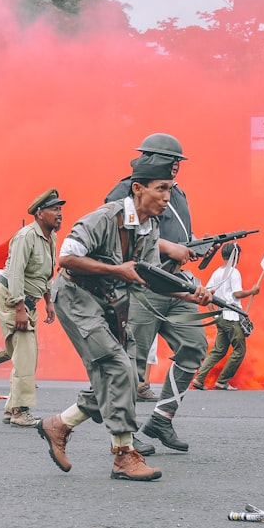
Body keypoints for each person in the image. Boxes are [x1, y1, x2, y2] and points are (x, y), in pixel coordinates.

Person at [36, 155, 212, 480]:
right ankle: (123, 456)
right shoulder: (104, 218)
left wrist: (191, 293)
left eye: (170, 190)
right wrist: (117, 270)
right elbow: (67, 258)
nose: (166, 197)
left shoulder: (150, 227)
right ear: (137, 188)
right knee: (117, 368)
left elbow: (149, 277)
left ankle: (59, 425)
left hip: (109, 299)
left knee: (127, 374)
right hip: (76, 297)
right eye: (161, 189)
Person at [107, 133, 209, 453]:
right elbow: (120, 228)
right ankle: (124, 434)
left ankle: (162, 418)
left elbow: (182, 234)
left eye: (177, 162)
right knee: (131, 362)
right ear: (150, 158)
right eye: (170, 160)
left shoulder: (178, 194)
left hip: (176, 283)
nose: (175, 167)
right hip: (141, 285)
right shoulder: (127, 189)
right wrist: (169, 247)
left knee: (194, 347)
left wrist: (196, 246)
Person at [0, 189, 64, 427]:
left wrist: (49, 301)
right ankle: (20, 412)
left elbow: (45, 274)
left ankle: (11, 408)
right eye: (54, 209)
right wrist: (19, 308)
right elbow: (16, 274)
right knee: (25, 354)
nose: (59, 214)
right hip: (12, 298)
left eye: (60, 209)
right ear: (40, 213)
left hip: (29, 299)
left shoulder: (50, 237)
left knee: (27, 355)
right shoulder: (26, 236)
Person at [191, 243, 260, 390]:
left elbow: (207, 292)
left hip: (221, 316)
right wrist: (252, 291)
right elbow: (236, 294)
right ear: (235, 256)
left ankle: (199, 379)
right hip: (232, 316)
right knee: (239, 350)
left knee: (218, 350)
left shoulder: (217, 272)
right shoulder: (234, 272)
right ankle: (222, 381)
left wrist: (214, 314)